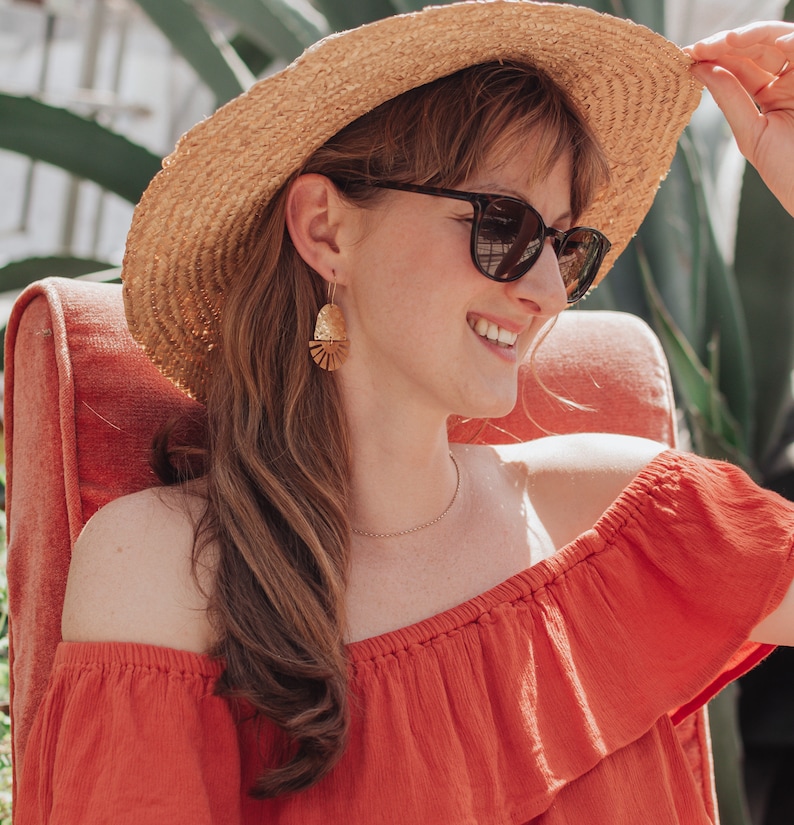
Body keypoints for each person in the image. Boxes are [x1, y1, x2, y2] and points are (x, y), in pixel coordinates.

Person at [13, 3, 794, 823]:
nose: (547, 290)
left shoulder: (614, 519)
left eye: (565, 245)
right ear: (326, 230)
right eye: (503, 225)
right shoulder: (171, 570)